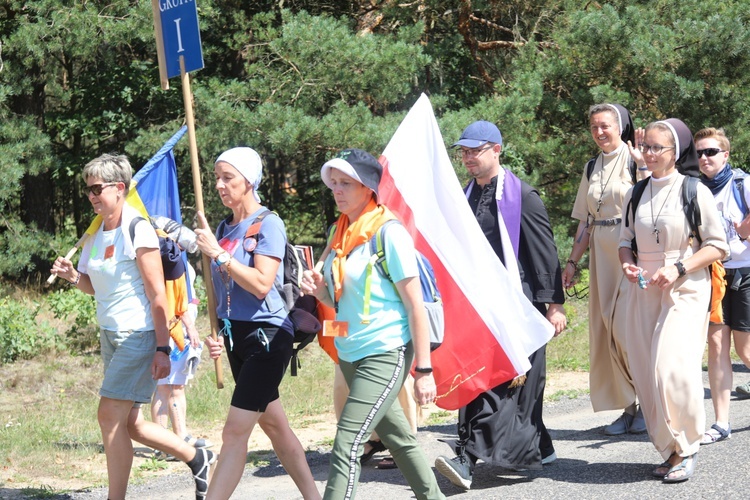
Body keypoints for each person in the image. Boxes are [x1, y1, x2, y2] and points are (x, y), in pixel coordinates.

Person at [50, 154, 216, 500]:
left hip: (138, 336)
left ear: (119, 188)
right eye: (88, 190)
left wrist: (161, 348)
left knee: (108, 416)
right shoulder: (96, 232)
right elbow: (95, 286)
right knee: (131, 423)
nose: (92, 196)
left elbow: (158, 295)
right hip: (110, 334)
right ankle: (196, 456)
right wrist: (72, 277)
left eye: (97, 188)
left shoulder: (137, 227)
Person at [301, 148, 444, 500]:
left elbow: (415, 307)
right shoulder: (341, 231)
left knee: (348, 443)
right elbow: (340, 302)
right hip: (350, 350)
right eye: (333, 183)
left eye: (345, 183)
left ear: (367, 187)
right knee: (398, 438)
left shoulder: (388, 233)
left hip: (385, 351)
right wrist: (318, 289)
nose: (336, 190)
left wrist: (424, 369)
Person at [434, 121, 566, 490]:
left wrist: (553, 305)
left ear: (497, 150)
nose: (468, 157)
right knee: (487, 382)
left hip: (517, 306)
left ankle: (467, 458)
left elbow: (544, 256)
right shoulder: (463, 197)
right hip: (479, 308)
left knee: (503, 385)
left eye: (475, 150)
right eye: (463, 151)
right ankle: (539, 445)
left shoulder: (523, 196)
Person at [193, 147, 320, 500]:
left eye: (227, 177)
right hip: (237, 338)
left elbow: (263, 283)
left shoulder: (269, 223)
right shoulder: (223, 227)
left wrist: (218, 253)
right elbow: (222, 289)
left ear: (249, 181)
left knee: (234, 433)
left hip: (268, 337)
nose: (219, 185)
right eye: (216, 177)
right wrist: (216, 330)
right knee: (275, 427)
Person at [618, 119, 728, 482]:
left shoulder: (693, 190)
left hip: (685, 287)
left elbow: (717, 245)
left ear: (675, 152)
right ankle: (669, 449)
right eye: (645, 146)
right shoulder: (636, 193)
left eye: (657, 148)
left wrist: (678, 267)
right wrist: (629, 265)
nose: (649, 154)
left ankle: (689, 444)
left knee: (671, 367)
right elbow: (625, 241)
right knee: (646, 372)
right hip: (645, 289)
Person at [563, 103, 649, 435]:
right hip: (600, 249)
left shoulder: (632, 159)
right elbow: (586, 220)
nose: (599, 132)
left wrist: (642, 166)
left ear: (619, 127)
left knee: (627, 331)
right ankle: (628, 407)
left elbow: (649, 199)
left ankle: (646, 402)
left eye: (605, 126)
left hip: (630, 249)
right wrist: (572, 262)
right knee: (606, 331)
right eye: (594, 127)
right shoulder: (591, 167)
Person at [695, 127, 750, 444]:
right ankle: (721, 423)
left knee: (744, 349)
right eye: (700, 153)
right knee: (716, 348)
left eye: (711, 152)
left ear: (726, 155)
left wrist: (744, 233)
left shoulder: (742, 183)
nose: (704, 158)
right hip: (713, 275)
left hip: (744, 272)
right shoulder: (695, 190)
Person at [151, 262, 213, 459]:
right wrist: (189, 326)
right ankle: (161, 444)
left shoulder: (178, 256)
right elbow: (173, 297)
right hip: (172, 327)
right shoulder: (164, 257)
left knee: (177, 386)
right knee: (164, 386)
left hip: (180, 327)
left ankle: (180, 436)